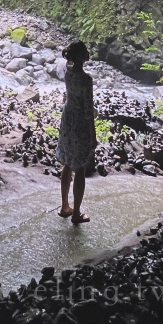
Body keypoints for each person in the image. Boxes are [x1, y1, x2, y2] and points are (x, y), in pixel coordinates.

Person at [56, 41, 96, 225]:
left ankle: (65, 206)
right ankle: (77, 213)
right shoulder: (86, 80)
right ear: (82, 56)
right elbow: (88, 111)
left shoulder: (67, 72)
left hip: (67, 117)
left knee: (67, 163)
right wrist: (93, 136)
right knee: (80, 167)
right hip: (79, 121)